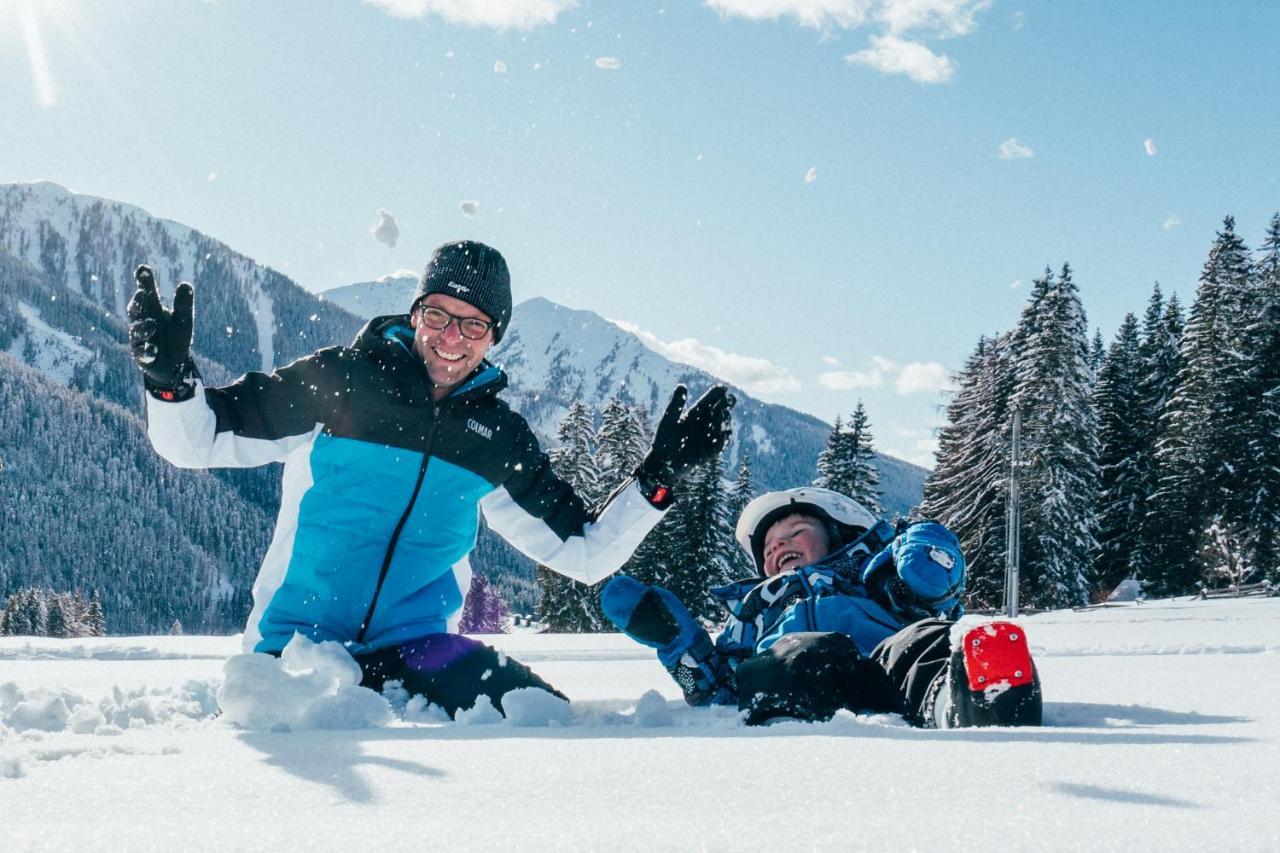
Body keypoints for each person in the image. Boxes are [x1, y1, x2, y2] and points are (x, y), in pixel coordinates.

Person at [127, 239, 733, 718]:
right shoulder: (341, 383)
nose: (451, 338)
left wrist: (659, 479)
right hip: (297, 652)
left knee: (541, 719)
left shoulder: (498, 438)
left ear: (494, 336)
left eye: (473, 325)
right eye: (439, 315)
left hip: (418, 652)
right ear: (416, 313)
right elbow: (197, 439)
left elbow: (583, 553)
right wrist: (170, 381)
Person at [600, 487, 1042, 727]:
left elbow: (939, 602)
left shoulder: (869, 577)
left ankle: (966, 701)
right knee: (794, 655)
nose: (782, 545)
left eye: (796, 532)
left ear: (837, 536)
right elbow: (714, 687)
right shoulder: (754, 612)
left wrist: (926, 552)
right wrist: (675, 642)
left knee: (923, 643)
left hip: (884, 670)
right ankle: (791, 734)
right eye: (771, 546)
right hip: (795, 680)